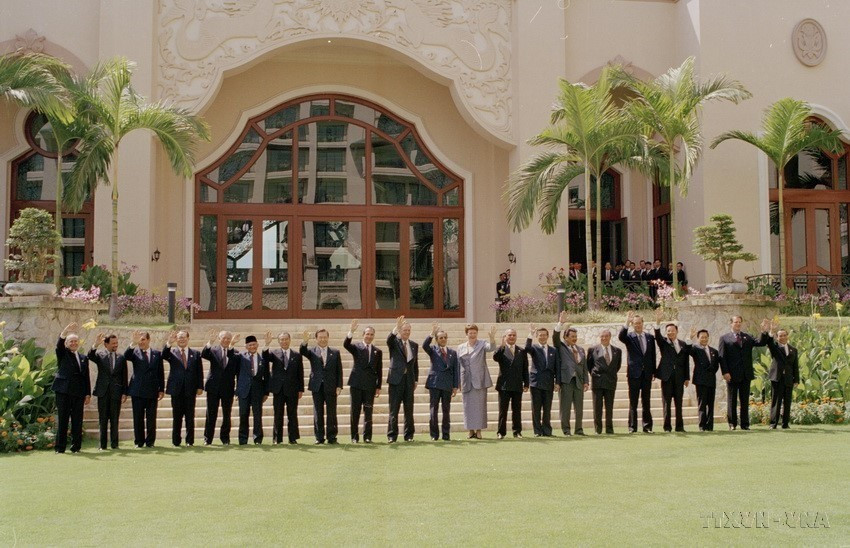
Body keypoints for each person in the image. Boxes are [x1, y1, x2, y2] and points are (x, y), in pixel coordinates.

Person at [718, 316, 769, 430]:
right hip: (731, 374)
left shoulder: (747, 337)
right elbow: (722, 357)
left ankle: (745, 424)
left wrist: (764, 331)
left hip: (746, 374)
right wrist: (725, 372)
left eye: (740, 322)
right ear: (731, 323)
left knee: (744, 400)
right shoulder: (724, 338)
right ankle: (732, 424)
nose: (738, 324)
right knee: (732, 400)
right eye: (736, 322)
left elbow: (760, 343)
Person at [53, 323, 92, 453]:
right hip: (63, 391)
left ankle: (76, 447)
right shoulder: (63, 354)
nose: (74, 343)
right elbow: (59, 345)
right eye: (71, 341)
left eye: (76, 341)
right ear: (67, 343)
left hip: (78, 393)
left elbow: (86, 376)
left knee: (77, 421)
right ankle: (60, 448)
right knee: (63, 420)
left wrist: (88, 394)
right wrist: (64, 332)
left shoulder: (83, 358)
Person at [300, 328, 343, 444]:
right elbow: (302, 351)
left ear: (328, 338)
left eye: (325, 337)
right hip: (316, 386)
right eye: (320, 337)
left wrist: (339, 386)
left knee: (332, 413)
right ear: (316, 339)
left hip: (331, 386)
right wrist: (304, 342)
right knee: (318, 412)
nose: (323, 339)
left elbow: (339, 370)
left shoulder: (335, 352)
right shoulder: (312, 352)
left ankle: (332, 437)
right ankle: (319, 437)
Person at [163, 329, 204, 447]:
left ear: (188, 339)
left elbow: (199, 371)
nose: (181, 339)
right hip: (176, 389)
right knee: (177, 417)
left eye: (183, 337)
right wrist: (168, 343)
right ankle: (176, 441)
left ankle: (189, 441)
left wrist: (200, 386)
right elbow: (163, 355)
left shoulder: (195, 354)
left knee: (190, 417)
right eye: (179, 337)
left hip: (190, 390)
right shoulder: (172, 352)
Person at [343, 320, 383, 443]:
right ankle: (354, 437)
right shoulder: (356, 347)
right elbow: (346, 345)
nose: (369, 336)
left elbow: (379, 370)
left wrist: (378, 386)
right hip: (356, 384)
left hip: (370, 386)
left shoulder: (378, 351)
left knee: (368, 412)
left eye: (371, 334)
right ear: (363, 335)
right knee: (355, 411)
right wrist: (351, 332)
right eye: (367, 334)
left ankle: (367, 437)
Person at [125, 331, 165, 448]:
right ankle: (139, 441)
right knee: (138, 418)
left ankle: (150, 442)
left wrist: (161, 389)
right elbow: (126, 356)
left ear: (148, 340)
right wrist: (133, 343)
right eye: (139, 340)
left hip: (152, 391)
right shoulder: (134, 353)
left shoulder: (157, 354)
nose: (141, 342)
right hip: (137, 391)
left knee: (151, 419)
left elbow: (160, 372)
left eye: (143, 339)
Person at [262, 331, 304, 444]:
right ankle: (277, 439)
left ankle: (293, 438)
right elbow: (264, 358)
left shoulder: (297, 355)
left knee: (292, 414)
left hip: (292, 389)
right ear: (279, 341)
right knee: (278, 414)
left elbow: (300, 372)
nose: (284, 341)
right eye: (282, 340)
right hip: (278, 389)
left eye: (286, 339)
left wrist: (301, 389)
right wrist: (266, 344)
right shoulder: (274, 353)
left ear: (290, 340)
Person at [87, 333, 128, 450]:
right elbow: (90, 355)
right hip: (103, 392)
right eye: (113, 343)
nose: (116, 345)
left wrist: (124, 392)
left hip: (116, 392)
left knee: (115, 420)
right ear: (106, 344)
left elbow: (124, 376)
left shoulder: (121, 357)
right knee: (103, 419)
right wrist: (95, 344)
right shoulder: (100, 355)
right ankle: (102, 445)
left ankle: (115, 445)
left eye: (116, 343)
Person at [618, 311, 656, 433]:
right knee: (633, 402)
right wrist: (626, 323)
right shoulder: (629, 337)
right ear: (633, 324)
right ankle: (632, 427)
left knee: (646, 401)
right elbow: (621, 337)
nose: (637, 325)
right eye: (635, 323)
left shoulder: (650, 338)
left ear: (643, 323)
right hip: (634, 373)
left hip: (647, 374)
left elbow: (652, 356)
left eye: (639, 323)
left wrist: (653, 371)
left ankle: (647, 426)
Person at [653, 311, 691, 432]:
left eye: (672, 330)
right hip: (667, 377)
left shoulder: (683, 344)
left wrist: (687, 377)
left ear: (676, 331)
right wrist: (658, 323)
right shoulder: (663, 342)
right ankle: (667, 426)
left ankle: (679, 427)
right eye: (668, 331)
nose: (670, 332)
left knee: (678, 403)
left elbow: (686, 362)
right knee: (667, 403)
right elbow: (657, 336)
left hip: (679, 377)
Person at [456, 323, 495, 439]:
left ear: (477, 333)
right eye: (470, 333)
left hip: (480, 380)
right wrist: (457, 382)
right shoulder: (461, 347)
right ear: (466, 334)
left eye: (474, 333)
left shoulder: (482, 344)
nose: (472, 335)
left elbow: (491, 348)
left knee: (480, 407)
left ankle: (478, 431)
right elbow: (458, 365)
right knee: (467, 407)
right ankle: (470, 430)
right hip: (466, 381)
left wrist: (492, 338)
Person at [554, 311, 590, 436]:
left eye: (575, 336)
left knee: (579, 408)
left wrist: (586, 381)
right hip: (566, 381)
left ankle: (579, 430)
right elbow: (555, 337)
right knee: (565, 408)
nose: (574, 338)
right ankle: (566, 430)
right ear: (566, 337)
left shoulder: (580, 349)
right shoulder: (561, 347)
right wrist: (560, 323)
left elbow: (584, 367)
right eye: (572, 336)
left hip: (579, 382)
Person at [200, 329, 238, 445]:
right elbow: (204, 355)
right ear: (220, 339)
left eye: (228, 338)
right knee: (211, 414)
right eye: (224, 338)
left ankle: (225, 438)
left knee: (227, 415)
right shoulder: (213, 350)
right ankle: (208, 439)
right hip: (213, 387)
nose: (226, 340)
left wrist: (231, 347)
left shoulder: (235, 352)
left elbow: (235, 366)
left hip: (228, 388)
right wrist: (210, 342)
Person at [423, 323, 460, 441]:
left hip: (447, 385)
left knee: (446, 410)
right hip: (435, 383)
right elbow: (424, 346)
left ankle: (446, 434)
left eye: (445, 337)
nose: (443, 339)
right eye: (440, 338)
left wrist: (455, 386)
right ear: (437, 339)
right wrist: (431, 334)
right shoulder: (433, 350)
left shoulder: (452, 353)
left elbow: (455, 370)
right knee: (433, 410)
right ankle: (434, 435)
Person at [386, 316, 419, 443]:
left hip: (409, 381)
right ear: (400, 331)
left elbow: (415, 364)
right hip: (396, 380)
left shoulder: (414, 345)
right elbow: (389, 340)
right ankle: (392, 436)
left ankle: (409, 435)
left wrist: (415, 379)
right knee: (394, 409)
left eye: (408, 330)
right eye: (404, 330)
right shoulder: (394, 343)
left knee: (409, 409)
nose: (406, 332)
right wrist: (395, 328)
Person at [230, 335, 269, 444]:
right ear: (246, 346)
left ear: (257, 345)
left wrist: (266, 392)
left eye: (254, 344)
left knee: (257, 416)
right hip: (243, 391)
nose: (252, 346)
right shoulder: (241, 356)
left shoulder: (262, 358)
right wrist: (232, 344)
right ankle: (243, 439)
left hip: (258, 391)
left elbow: (266, 376)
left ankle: (258, 439)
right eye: (250, 345)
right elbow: (230, 356)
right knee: (243, 415)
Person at [493, 328, 530, 439]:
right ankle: (501, 432)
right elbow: (495, 358)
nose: (512, 337)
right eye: (509, 335)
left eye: (514, 335)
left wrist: (526, 383)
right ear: (505, 337)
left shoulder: (521, 351)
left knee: (517, 410)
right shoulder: (501, 350)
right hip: (504, 385)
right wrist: (502, 346)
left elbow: (525, 369)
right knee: (503, 411)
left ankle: (517, 431)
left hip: (517, 385)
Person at [763, 321, 800, 429]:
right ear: (777, 337)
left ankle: (785, 423)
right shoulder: (774, 347)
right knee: (776, 401)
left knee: (787, 402)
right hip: (777, 378)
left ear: (787, 336)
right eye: (780, 336)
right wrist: (771, 332)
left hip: (788, 379)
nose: (783, 337)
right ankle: (773, 423)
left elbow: (795, 366)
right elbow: (769, 342)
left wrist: (796, 380)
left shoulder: (793, 349)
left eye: (784, 335)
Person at [525, 325, 557, 437]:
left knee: (547, 409)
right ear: (537, 337)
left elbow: (556, 367)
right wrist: (530, 335)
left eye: (544, 335)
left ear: (548, 336)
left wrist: (557, 382)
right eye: (540, 335)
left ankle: (547, 431)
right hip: (536, 382)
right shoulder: (534, 348)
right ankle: (537, 431)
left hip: (548, 383)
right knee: (536, 408)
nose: (542, 337)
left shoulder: (553, 350)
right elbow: (527, 348)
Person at [587, 329, 621, 435]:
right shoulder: (593, 350)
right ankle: (598, 429)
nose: (604, 338)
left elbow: (617, 366)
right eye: (602, 336)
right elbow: (589, 365)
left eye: (606, 336)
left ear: (610, 337)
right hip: (598, 381)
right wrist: (595, 374)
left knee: (609, 407)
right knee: (597, 407)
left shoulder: (617, 350)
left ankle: (609, 429)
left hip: (610, 381)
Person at [687, 327, 722, 431]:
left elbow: (716, 366)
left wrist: (710, 372)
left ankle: (710, 425)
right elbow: (688, 350)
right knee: (702, 404)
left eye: (706, 337)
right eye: (702, 337)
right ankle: (702, 425)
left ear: (708, 338)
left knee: (711, 404)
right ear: (698, 338)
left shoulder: (714, 351)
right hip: (700, 381)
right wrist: (690, 338)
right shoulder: (695, 349)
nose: (704, 339)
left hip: (711, 380)